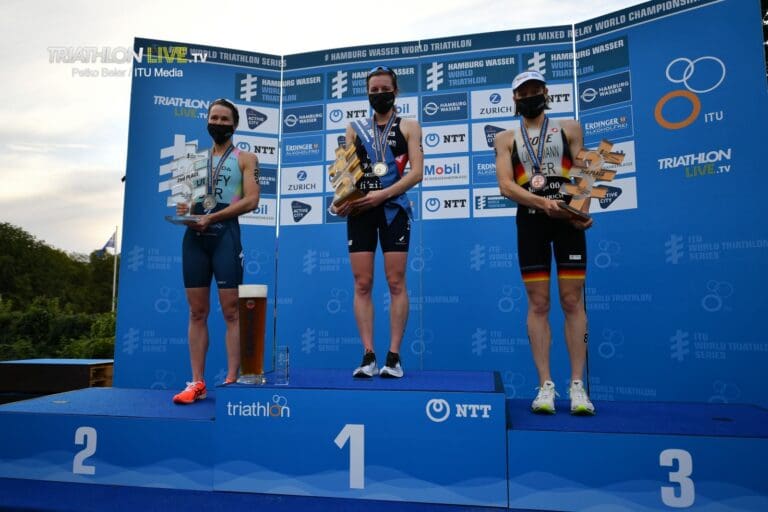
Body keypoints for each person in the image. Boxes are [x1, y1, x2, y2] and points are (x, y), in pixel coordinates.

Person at [494, 70, 595, 415]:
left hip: (567, 224)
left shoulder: (570, 128)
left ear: (546, 93)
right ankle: (545, 386)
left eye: (535, 90)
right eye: (523, 92)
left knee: (571, 301)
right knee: (538, 304)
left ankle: (578, 385)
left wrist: (580, 210)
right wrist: (543, 204)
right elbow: (506, 186)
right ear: (515, 99)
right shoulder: (506, 137)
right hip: (532, 222)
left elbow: (584, 174)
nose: (529, 96)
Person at [332, 66, 423, 378]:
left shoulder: (409, 126)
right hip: (360, 211)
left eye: (385, 89)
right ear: (368, 93)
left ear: (395, 92)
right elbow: (346, 176)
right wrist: (339, 201)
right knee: (362, 283)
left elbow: (416, 173)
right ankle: (368, 354)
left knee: (396, 283)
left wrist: (382, 196)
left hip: (393, 209)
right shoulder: (354, 128)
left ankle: (393, 356)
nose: (379, 94)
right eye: (374, 90)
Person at [172, 98, 260, 404]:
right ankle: (197, 382)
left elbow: (251, 201)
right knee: (197, 312)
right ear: (207, 121)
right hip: (195, 237)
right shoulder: (194, 161)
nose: (219, 123)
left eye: (225, 119)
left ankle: (232, 379)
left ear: (234, 125)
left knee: (231, 312)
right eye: (214, 118)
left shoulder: (245, 158)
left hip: (225, 234)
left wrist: (215, 217)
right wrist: (185, 212)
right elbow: (186, 200)